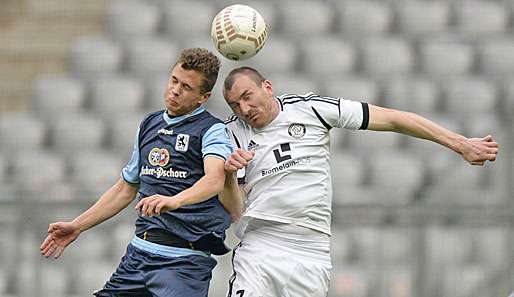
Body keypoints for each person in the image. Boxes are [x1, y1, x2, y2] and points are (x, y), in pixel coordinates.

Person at [219, 66, 500, 297]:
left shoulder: (311, 110)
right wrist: (230, 175)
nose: (244, 109)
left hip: (311, 252)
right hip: (261, 246)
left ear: (267, 87)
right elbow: (235, 210)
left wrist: (460, 143)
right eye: (235, 104)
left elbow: (393, 119)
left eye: (248, 96)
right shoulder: (232, 133)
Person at [40, 48, 240, 297]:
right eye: (174, 80)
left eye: (187, 87)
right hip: (138, 256)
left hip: (183, 263)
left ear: (203, 97)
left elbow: (214, 180)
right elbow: (125, 188)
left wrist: (174, 201)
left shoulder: (212, 131)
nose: (175, 90)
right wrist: (77, 226)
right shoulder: (149, 124)